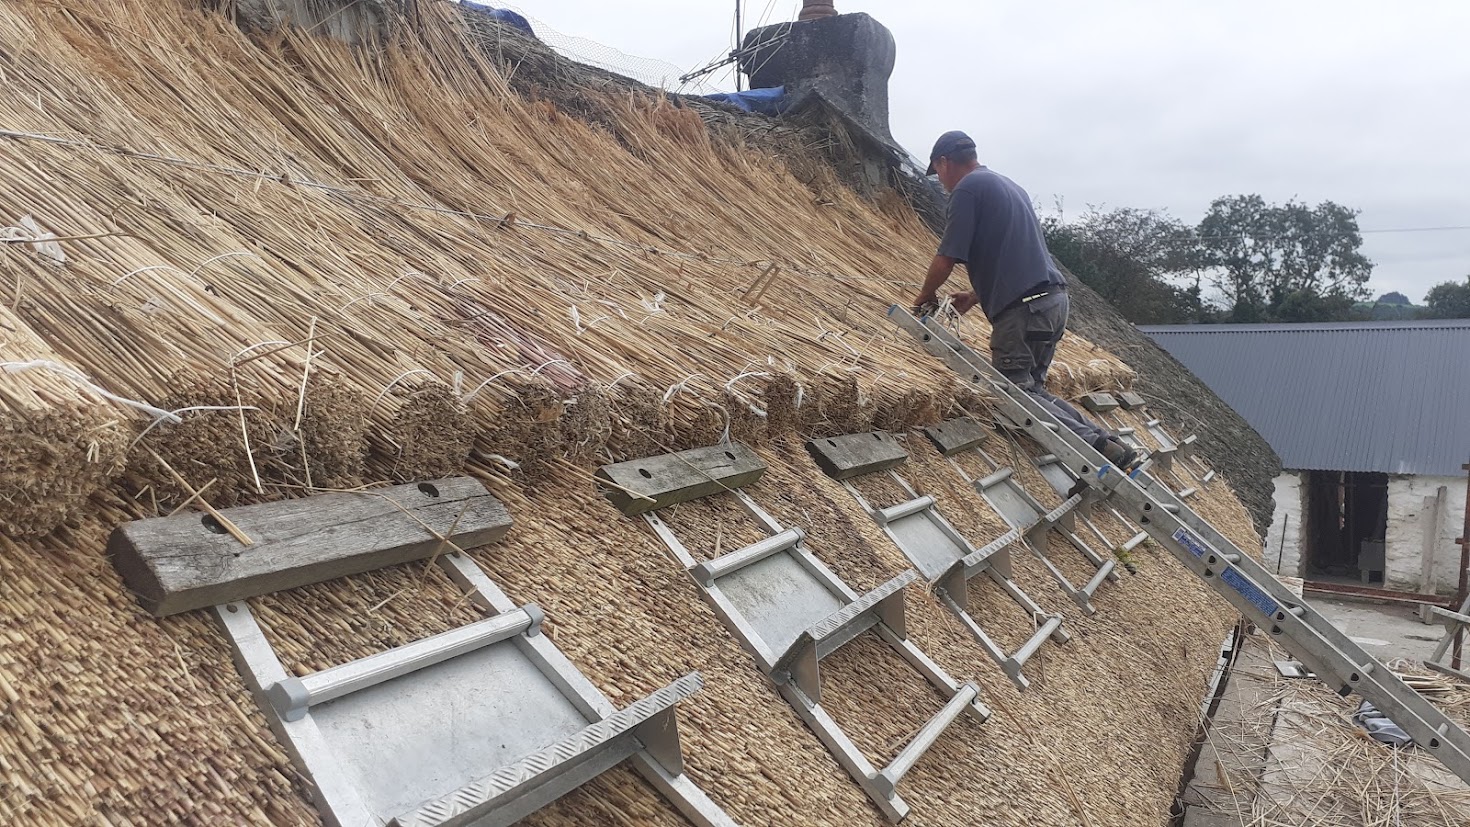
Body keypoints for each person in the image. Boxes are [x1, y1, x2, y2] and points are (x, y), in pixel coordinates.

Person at [912, 130, 1141, 471]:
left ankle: (1097, 447)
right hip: (1052, 301)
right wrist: (975, 296)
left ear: (944, 162)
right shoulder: (1008, 186)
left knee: (1015, 393)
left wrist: (925, 296)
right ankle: (1108, 442)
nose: (941, 183)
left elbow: (946, 257)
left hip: (1025, 310)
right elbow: (1016, 253)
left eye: (938, 173)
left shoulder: (967, 189)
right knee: (1033, 390)